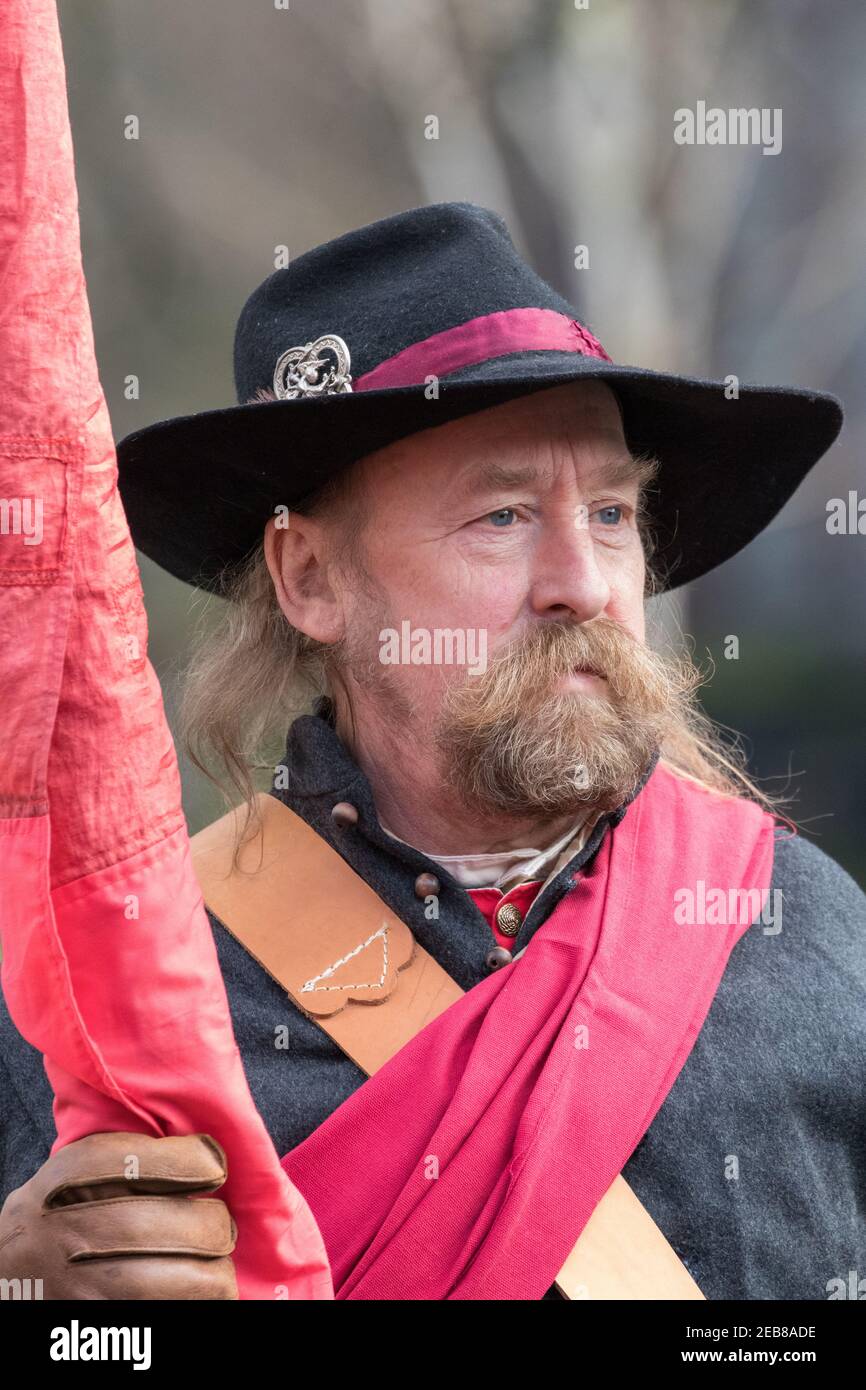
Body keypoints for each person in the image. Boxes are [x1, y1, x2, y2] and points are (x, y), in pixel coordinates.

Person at [1, 202, 864, 1300]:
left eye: (608, 512)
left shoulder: (812, 937)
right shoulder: (125, 998)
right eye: (501, 516)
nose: (584, 584)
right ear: (310, 578)